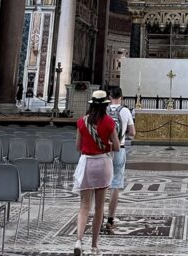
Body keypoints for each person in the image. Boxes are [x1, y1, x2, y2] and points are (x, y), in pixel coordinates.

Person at [74, 90, 119, 256]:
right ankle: (94, 245)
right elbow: (115, 146)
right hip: (102, 164)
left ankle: (79, 240)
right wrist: (105, 143)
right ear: (105, 105)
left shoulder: (81, 121)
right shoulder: (108, 122)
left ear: (91, 104)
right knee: (99, 207)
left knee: (84, 206)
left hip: (86, 164)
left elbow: (78, 147)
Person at [104, 87, 135, 236]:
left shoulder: (103, 110)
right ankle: (110, 218)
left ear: (110, 97)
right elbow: (133, 133)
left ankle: (98, 214)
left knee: (102, 183)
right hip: (119, 149)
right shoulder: (125, 111)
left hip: (104, 150)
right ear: (121, 97)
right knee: (115, 184)